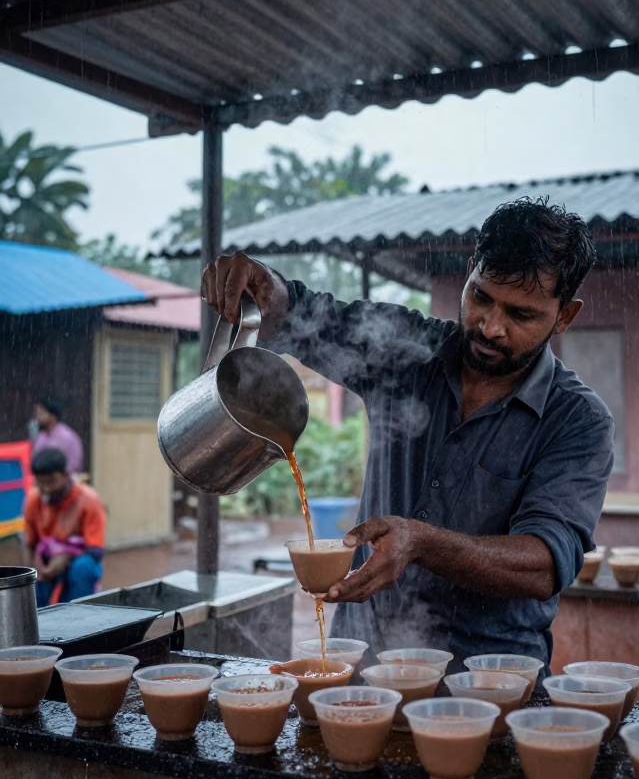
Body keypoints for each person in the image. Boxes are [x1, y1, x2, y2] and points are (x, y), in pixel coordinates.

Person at [202, 198, 614, 672]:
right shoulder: (404, 351)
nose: (490, 326)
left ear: (564, 316)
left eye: (521, 315)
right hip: (362, 669)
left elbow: (545, 562)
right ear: (468, 273)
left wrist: (421, 542)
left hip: (488, 686)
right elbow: (301, 315)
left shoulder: (577, 420)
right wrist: (260, 286)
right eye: (480, 296)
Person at [24, 448, 105, 605]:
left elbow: (95, 551)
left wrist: (65, 558)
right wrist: (35, 569)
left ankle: (80, 619)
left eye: (51, 481)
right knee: (32, 584)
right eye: (41, 483)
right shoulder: (33, 500)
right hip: (47, 561)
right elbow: (29, 544)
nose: (46, 489)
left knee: (82, 568)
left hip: (79, 560)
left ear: (66, 475)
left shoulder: (89, 500)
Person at [31, 395, 84, 477]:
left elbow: (74, 465)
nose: (37, 417)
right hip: (43, 483)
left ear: (53, 416)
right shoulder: (40, 437)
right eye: (36, 413)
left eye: (41, 413)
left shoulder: (67, 437)